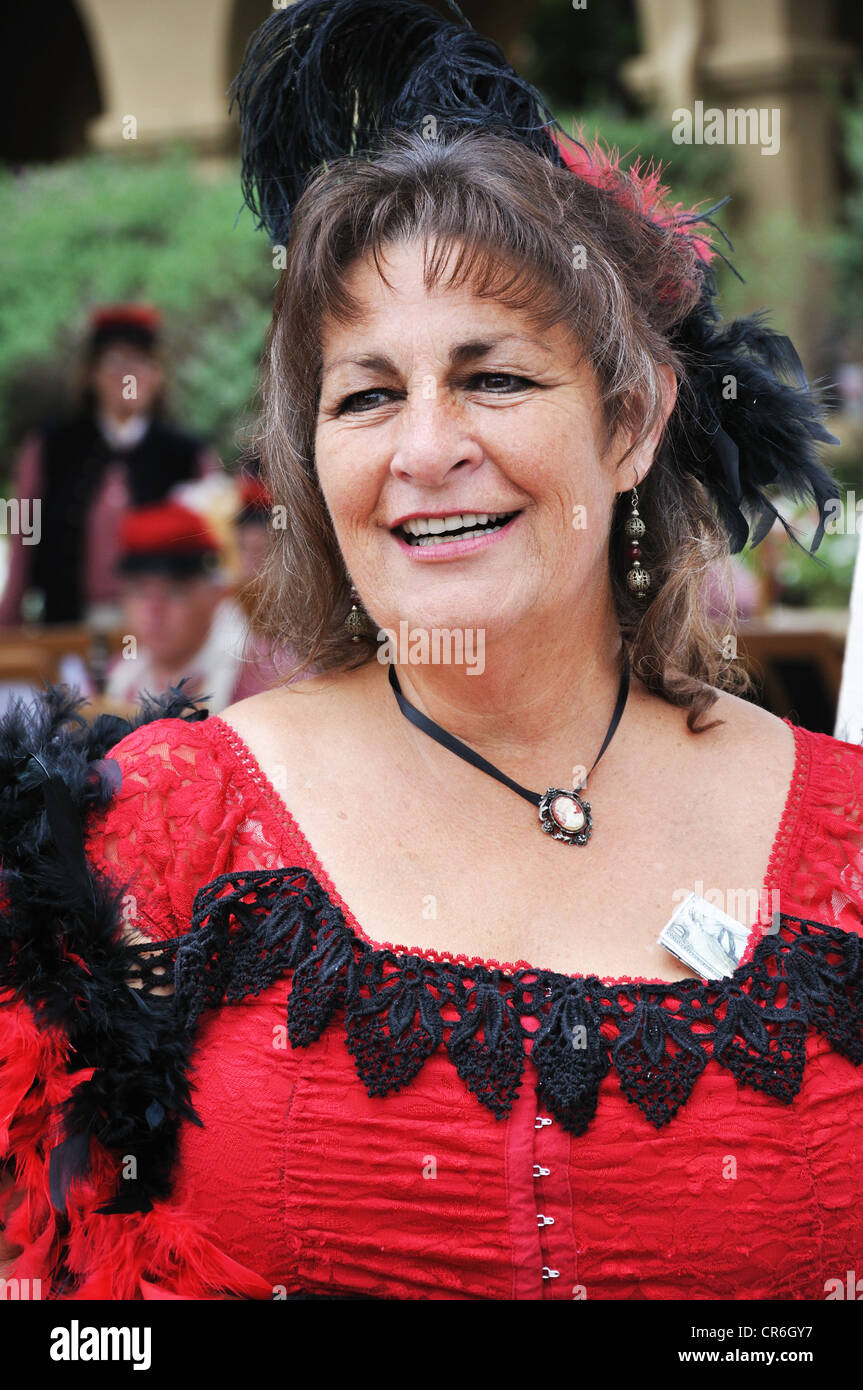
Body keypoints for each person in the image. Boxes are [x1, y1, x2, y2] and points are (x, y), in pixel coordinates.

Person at [1, 0, 861, 1302]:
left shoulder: (843, 836)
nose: (422, 449)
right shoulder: (157, 831)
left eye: (494, 378)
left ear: (628, 424)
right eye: (365, 395)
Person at [0, 304, 222, 628]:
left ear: (157, 375)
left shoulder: (188, 456)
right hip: (66, 626)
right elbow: (24, 533)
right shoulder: (48, 448)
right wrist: (9, 619)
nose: (128, 376)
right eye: (115, 362)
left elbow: (213, 552)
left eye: (140, 362)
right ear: (92, 374)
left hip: (161, 636)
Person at [102, 499, 250, 716]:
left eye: (173, 592)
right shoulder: (121, 674)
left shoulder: (257, 674)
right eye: (139, 592)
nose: (153, 612)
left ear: (214, 596)